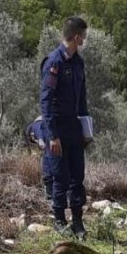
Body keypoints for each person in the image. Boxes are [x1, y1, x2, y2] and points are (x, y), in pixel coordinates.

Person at [39, 16, 91, 239]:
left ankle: (77, 221)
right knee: (60, 176)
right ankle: (59, 220)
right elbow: (46, 101)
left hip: (74, 127)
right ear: (76, 36)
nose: (85, 40)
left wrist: (86, 129)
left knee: (77, 175)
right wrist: (52, 135)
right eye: (84, 36)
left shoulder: (78, 63)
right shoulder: (53, 63)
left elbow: (82, 99)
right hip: (57, 127)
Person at [26, 116, 53, 202]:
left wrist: (41, 142)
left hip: (49, 147)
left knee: (47, 167)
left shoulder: (35, 126)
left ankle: (50, 196)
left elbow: (41, 141)